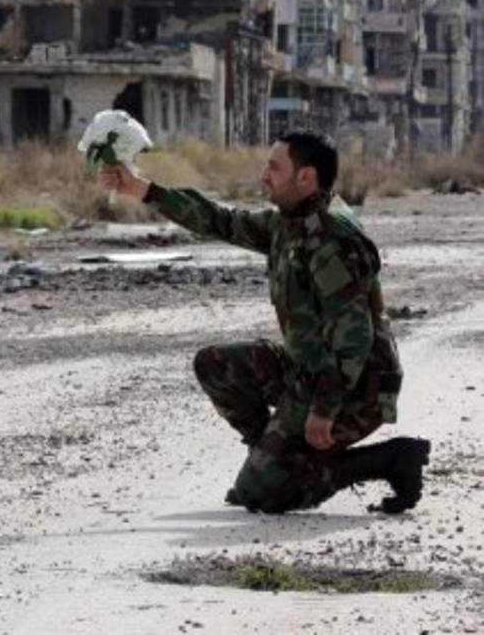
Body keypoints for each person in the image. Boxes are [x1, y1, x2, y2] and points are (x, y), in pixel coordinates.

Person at [101, 130, 430, 514]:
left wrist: (324, 409)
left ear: (305, 177)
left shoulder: (330, 239)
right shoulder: (288, 223)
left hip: (356, 389)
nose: (264, 175)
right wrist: (142, 188)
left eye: (275, 167)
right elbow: (219, 220)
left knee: (263, 497)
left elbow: (354, 336)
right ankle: (276, 459)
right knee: (216, 365)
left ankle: (390, 459)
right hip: (307, 371)